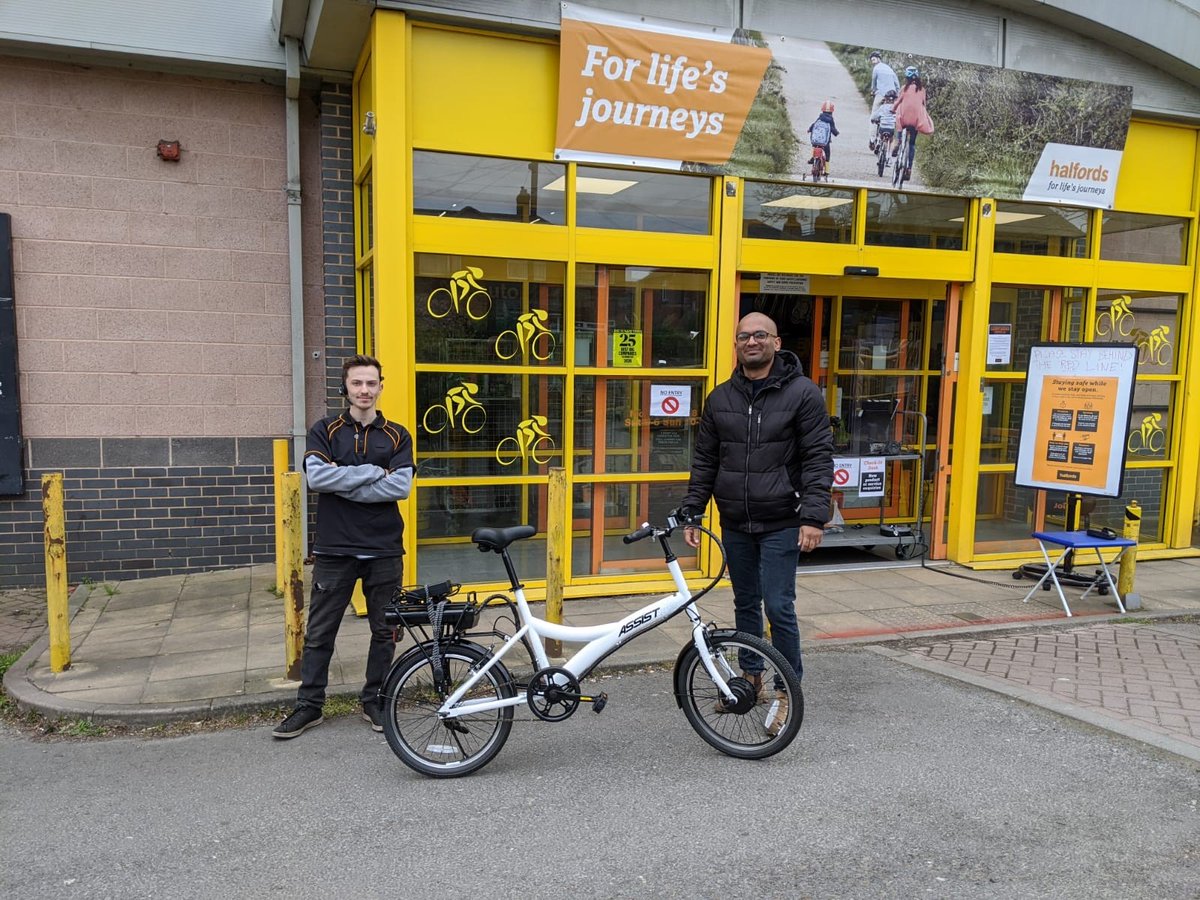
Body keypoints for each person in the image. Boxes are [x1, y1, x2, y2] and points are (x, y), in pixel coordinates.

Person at [681, 313, 833, 734]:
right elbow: (706, 460)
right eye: (744, 336)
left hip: (784, 519)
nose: (752, 342)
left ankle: (789, 691)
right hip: (736, 522)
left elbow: (819, 458)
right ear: (737, 345)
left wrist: (814, 517)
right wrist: (693, 509)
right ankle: (751, 680)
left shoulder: (804, 394)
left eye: (760, 335)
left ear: (776, 341)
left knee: (779, 606)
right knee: (744, 603)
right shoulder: (720, 398)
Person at [273, 354, 416, 739]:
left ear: (381, 386)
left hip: (384, 548)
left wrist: (345, 478)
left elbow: (400, 487)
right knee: (320, 632)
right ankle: (309, 706)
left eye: (371, 383)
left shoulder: (399, 435)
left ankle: (375, 701)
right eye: (357, 384)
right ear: (346, 388)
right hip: (335, 549)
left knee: (384, 632)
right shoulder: (325, 430)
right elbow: (317, 477)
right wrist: (373, 473)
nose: (364, 390)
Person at [891, 65, 934, 169]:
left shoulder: (904, 88)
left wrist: (892, 109)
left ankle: (899, 139)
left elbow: (898, 102)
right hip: (916, 121)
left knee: (899, 117)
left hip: (904, 119)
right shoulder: (922, 90)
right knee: (912, 144)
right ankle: (909, 168)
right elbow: (924, 104)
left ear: (907, 78)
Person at [867, 51, 900, 150]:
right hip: (892, 96)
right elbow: (896, 83)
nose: (873, 62)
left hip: (881, 94)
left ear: (878, 59)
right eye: (872, 60)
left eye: (873, 59)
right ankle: (891, 137)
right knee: (892, 114)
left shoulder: (876, 68)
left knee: (873, 116)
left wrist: (873, 91)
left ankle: (872, 140)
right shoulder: (889, 69)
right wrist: (897, 94)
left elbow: (874, 81)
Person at [807, 100, 839, 175]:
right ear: (832, 111)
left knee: (814, 147)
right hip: (825, 142)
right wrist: (836, 133)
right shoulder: (830, 120)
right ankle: (827, 171)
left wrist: (809, 129)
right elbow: (833, 129)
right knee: (827, 154)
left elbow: (814, 124)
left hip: (816, 141)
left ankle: (813, 157)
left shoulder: (820, 117)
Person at [870, 89, 899, 153]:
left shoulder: (882, 107)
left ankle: (879, 143)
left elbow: (875, 116)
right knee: (891, 139)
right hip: (891, 128)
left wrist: (873, 119)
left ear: (886, 99)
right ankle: (890, 154)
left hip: (883, 128)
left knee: (881, 134)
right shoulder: (896, 108)